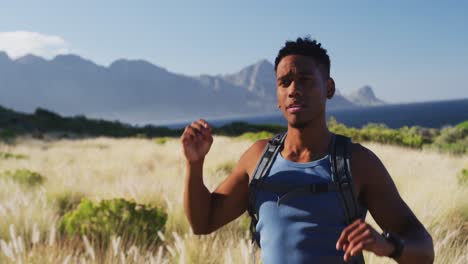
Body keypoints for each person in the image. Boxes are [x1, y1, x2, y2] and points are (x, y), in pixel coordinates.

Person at [181, 37, 434, 263]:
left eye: (305, 80)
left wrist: (388, 246)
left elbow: (424, 251)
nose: (293, 90)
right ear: (277, 96)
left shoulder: (357, 163)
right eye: (285, 82)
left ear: (329, 88)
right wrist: (194, 165)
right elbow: (204, 222)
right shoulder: (258, 158)